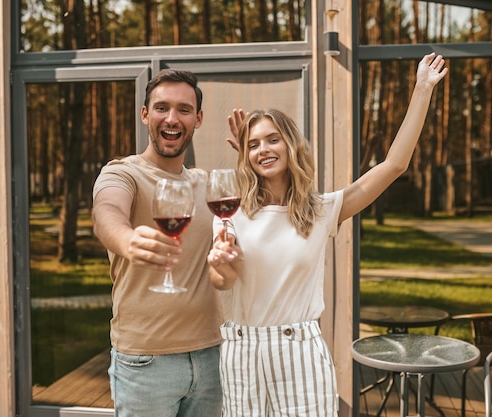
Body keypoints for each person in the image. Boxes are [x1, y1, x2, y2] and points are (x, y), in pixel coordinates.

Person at [207, 53, 448, 417]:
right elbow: (222, 282)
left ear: (291, 144)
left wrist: (422, 90)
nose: (263, 150)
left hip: (299, 352)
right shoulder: (231, 211)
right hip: (242, 351)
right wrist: (219, 263)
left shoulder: (320, 211)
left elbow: (394, 165)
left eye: (272, 139)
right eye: (253, 144)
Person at [92, 69, 223, 417]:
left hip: (211, 357)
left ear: (198, 119)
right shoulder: (123, 173)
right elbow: (106, 211)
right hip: (145, 363)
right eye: (162, 107)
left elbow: (269, 204)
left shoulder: (204, 184)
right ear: (145, 114)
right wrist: (127, 240)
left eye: (183, 109)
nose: (172, 117)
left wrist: (253, 156)